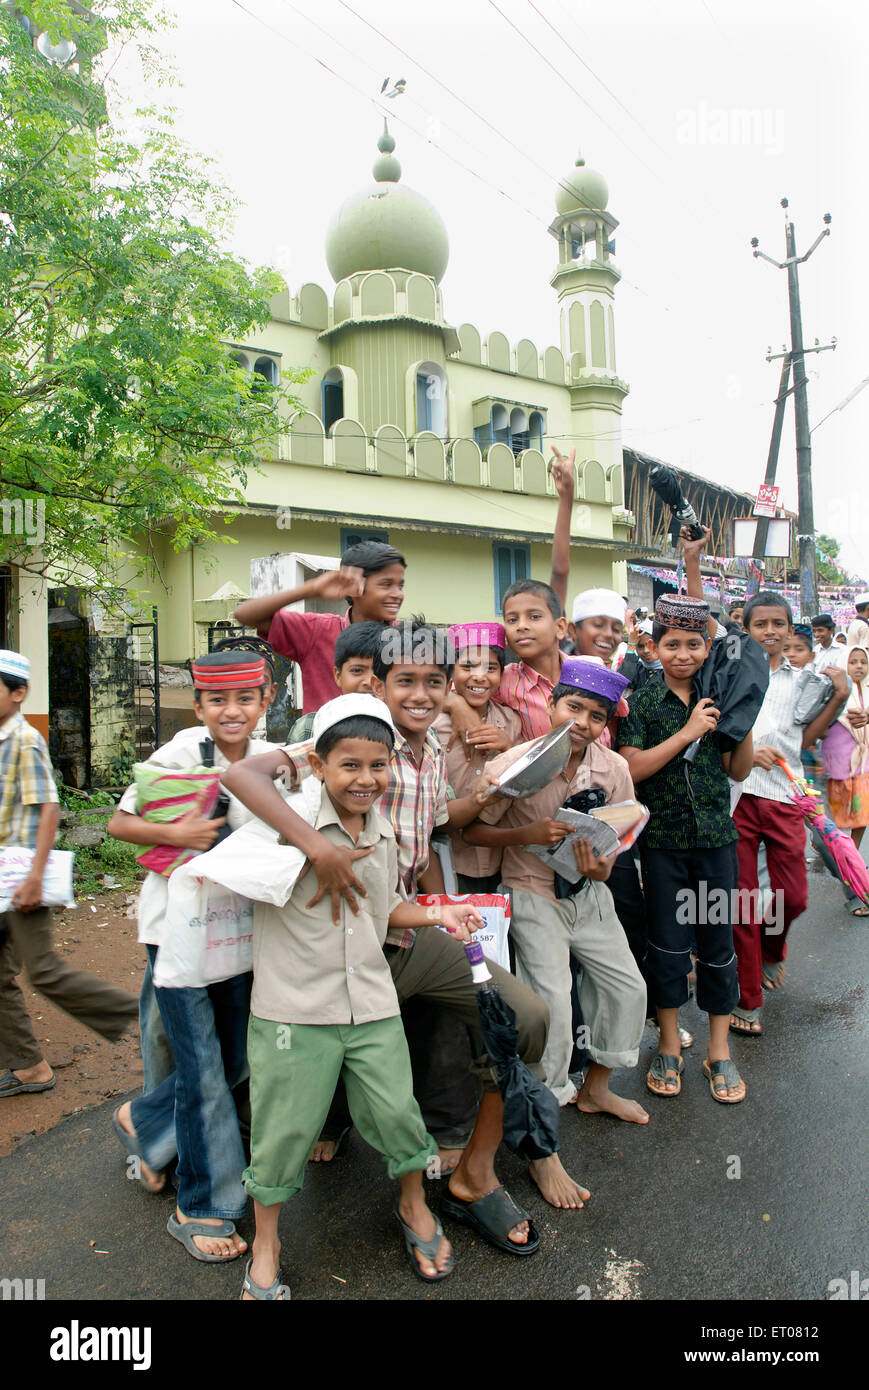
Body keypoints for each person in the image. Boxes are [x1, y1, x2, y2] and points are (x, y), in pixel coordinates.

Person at [225, 618, 588, 1230]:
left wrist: (498, 789)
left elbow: (438, 822)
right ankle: (213, 1163)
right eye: (406, 681)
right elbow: (242, 775)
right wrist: (318, 846)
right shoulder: (356, 739)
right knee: (284, 1081)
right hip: (341, 948)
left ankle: (476, 1172)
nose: (420, 694)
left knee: (524, 1018)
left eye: (435, 681)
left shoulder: (426, 756)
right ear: (379, 685)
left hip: (408, 931)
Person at [240, 694, 487, 1296]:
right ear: (318, 765)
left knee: (398, 1114)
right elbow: (243, 775)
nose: (366, 779)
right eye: (348, 765)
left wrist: (441, 914)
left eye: (378, 766)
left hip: (372, 1003)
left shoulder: (383, 834)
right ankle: (267, 1241)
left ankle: (412, 1205)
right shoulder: (283, 822)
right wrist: (315, 845)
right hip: (294, 1009)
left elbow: (383, 912)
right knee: (283, 1131)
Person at [108, 650, 273, 1260]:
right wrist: (178, 834)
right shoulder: (177, 755)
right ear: (200, 705)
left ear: (266, 699)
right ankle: (199, 1206)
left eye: (245, 699)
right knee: (203, 1067)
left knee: (232, 1061)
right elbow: (120, 826)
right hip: (175, 936)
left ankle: (147, 1118)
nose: (232, 712)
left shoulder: (272, 759)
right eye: (218, 701)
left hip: (241, 938)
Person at [465, 657, 648, 1126]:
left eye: (597, 717)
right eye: (574, 707)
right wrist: (525, 835)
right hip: (531, 893)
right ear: (550, 703)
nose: (582, 723)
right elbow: (472, 834)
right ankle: (544, 1114)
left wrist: (600, 868)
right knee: (553, 1007)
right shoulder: (513, 764)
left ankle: (597, 1089)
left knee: (628, 989)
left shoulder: (613, 769)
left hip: (588, 896)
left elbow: (616, 843)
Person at [617, 596, 755, 1105]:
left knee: (718, 946)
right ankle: (670, 1042)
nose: (681, 653)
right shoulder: (642, 699)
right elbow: (631, 768)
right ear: (654, 646)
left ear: (704, 649)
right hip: (662, 846)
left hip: (717, 843)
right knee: (669, 944)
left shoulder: (718, 692)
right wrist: (690, 731)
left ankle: (719, 1050)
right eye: (670, 644)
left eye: (693, 644)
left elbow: (737, 770)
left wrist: (741, 722)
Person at [0, 651, 138, 1100]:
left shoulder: (24, 740)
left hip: (21, 877)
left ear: (18, 693)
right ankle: (28, 1065)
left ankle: (137, 1012)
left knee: (42, 971)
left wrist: (36, 876)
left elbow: (49, 809)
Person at [728, 593, 849, 1036]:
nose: (770, 632)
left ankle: (772, 948)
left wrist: (836, 699)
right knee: (741, 903)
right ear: (747, 628)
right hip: (737, 795)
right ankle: (748, 1000)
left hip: (783, 797)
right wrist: (743, 754)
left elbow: (804, 739)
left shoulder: (803, 681)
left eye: (778, 624)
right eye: (760, 624)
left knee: (793, 896)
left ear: (790, 628)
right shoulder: (731, 673)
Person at [233, 540, 406, 713]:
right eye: (386, 584)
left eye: (400, 586)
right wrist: (311, 589)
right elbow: (245, 615)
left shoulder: (408, 639)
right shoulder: (317, 631)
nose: (397, 595)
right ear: (353, 586)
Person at [432, 622, 521, 893]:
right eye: (468, 666)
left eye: (490, 668)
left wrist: (509, 749)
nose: (479, 677)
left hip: (496, 857)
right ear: (451, 670)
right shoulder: (433, 721)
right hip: (443, 854)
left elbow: (522, 780)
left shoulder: (511, 721)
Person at [821, 644, 869, 916]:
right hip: (838, 768)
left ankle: (855, 857)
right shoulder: (837, 694)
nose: (859, 666)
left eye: (863, 661)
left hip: (863, 766)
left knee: (861, 816)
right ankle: (847, 864)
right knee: (837, 824)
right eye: (854, 662)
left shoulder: (867, 692)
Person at [286, 619, 386, 744]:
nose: (369, 682)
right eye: (357, 671)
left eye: (379, 672)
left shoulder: (403, 729)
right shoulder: (308, 729)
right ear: (338, 676)